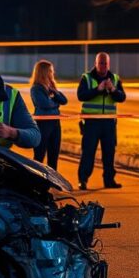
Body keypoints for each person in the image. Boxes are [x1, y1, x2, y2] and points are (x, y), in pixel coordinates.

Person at [77, 52, 126, 190]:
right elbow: (81, 95)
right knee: (88, 152)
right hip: (92, 122)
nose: (103, 66)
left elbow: (122, 98)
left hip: (109, 123)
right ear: (96, 64)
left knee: (109, 152)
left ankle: (109, 180)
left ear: (108, 64)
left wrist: (112, 89)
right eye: (101, 63)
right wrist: (97, 90)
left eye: (105, 63)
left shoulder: (115, 78)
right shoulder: (86, 78)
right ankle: (83, 180)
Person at [29, 60, 67, 169]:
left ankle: (53, 183)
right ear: (44, 72)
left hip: (55, 124)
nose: (52, 73)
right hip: (42, 125)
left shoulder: (50, 88)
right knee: (39, 156)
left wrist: (54, 91)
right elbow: (45, 104)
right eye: (50, 71)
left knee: (53, 156)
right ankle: (36, 182)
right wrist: (56, 104)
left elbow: (64, 101)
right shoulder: (36, 88)